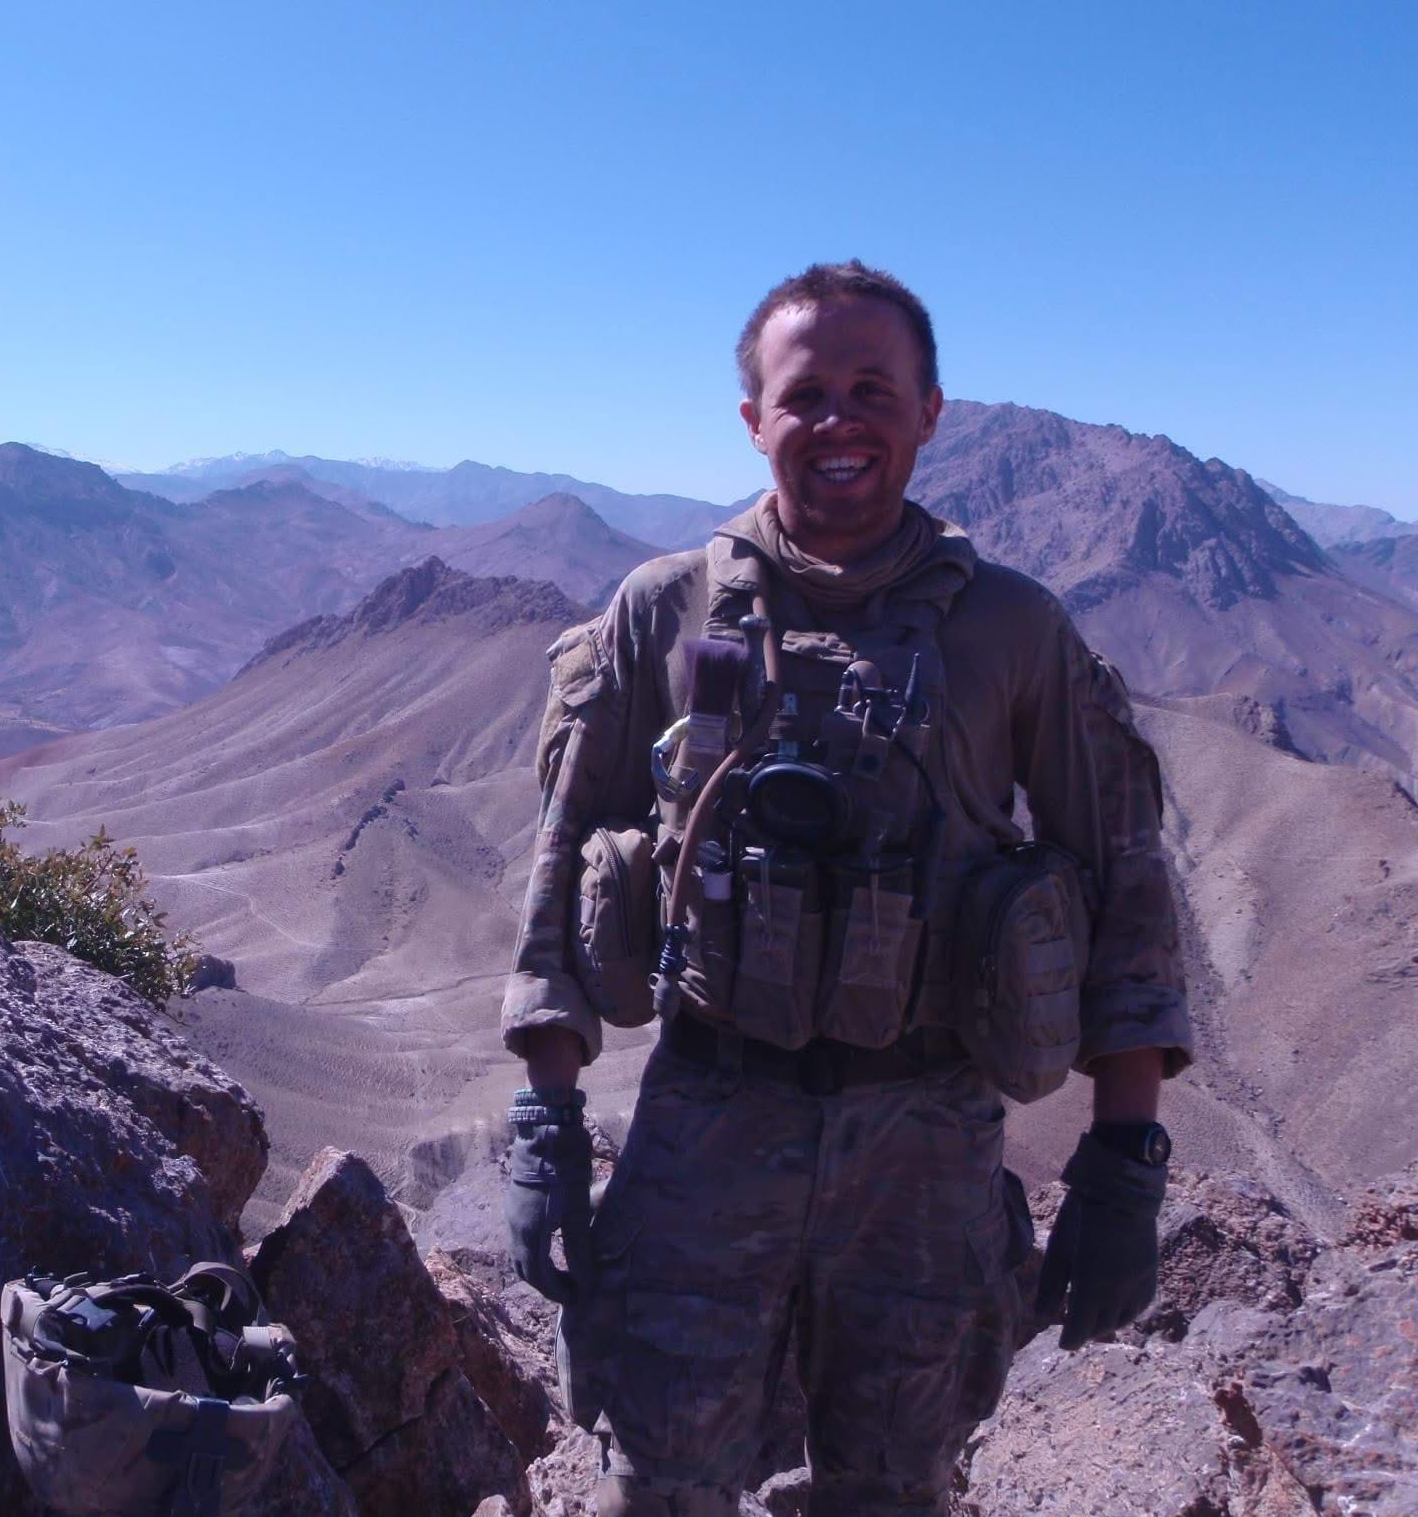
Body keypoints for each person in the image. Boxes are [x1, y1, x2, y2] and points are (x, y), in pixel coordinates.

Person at [499, 261, 1192, 1517]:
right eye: (802, 392)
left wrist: (1122, 1162)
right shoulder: (662, 612)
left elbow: (1122, 883)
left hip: (924, 1144)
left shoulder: (1014, 630)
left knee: (896, 1489)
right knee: (656, 1483)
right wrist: (546, 1123)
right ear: (752, 419)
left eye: (872, 388)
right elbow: (562, 863)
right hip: (706, 1120)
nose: (838, 421)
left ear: (931, 409)